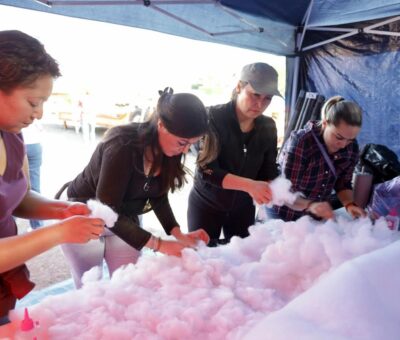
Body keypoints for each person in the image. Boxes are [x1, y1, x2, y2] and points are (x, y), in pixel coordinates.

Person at [0, 30, 105, 323]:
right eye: (33, 102)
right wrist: (58, 233)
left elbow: (17, 197)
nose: (40, 114)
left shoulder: (13, 135)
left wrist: (59, 210)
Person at [60, 87, 210, 288]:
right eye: (182, 143)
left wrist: (177, 233)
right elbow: (107, 210)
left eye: (191, 144)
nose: (184, 150)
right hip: (85, 214)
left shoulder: (170, 150)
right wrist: (159, 245)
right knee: (89, 286)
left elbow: (158, 195)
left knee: (127, 285)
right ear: (161, 125)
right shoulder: (122, 144)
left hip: (125, 218)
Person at [187, 62, 280, 246]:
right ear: (239, 86)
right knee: (202, 258)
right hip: (207, 205)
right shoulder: (211, 117)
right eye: (255, 95)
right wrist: (250, 186)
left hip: (243, 208)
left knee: (240, 259)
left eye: (267, 98)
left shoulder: (268, 126)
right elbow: (207, 170)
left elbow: (268, 169)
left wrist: (273, 187)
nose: (260, 104)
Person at [266, 95, 367, 221]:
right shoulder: (301, 143)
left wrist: (349, 204)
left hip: (316, 214)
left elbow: (343, 183)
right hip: (284, 212)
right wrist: (310, 205)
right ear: (325, 123)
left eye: (350, 139)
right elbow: (287, 191)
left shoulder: (352, 147)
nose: (343, 144)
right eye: (339, 137)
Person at [22, 120, 44, 229]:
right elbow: (40, 127)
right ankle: (37, 227)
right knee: (34, 188)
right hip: (35, 144)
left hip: (22, 142)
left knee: (12, 186)